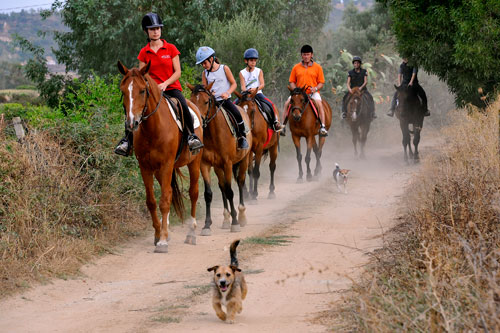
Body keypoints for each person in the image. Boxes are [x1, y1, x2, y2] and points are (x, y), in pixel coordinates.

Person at [114, 12, 203, 156]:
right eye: (152, 29)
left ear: (160, 30)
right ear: (146, 31)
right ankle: (127, 141)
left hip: (171, 88)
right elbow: (141, 76)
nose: (155, 31)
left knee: (184, 106)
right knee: (133, 109)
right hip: (151, 92)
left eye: (157, 28)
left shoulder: (171, 49)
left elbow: (178, 72)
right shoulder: (144, 52)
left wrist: (165, 83)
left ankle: (191, 136)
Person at [196, 46, 249, 150]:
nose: (203, 65)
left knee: (237, 114)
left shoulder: (224, 68)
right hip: (212, 103)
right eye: (201, 64)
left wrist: (227, 92)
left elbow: (234, 84)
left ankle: (242, 137)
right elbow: (205, 89)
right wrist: (209, 93)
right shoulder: (204, 73)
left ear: (211, 59)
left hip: (224, 101)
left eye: (204, 63)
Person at [282, 44, 328, 137]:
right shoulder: (296, 67)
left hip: (313, 93)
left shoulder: (318, 67)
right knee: (287, 103)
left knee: (319, 104)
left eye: (308, 54)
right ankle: (283, 126)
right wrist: (295, 90)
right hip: (299, 94)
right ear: (301, 55)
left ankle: (322, 126)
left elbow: (321, 82)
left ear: (312, 55)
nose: (306, 56)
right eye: (304, 54)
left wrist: (315, 88)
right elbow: (291, 81)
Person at [238, 48, 283, 132]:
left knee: (270, 104)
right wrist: (246, 91)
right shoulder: (242, 72)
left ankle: (275, 123)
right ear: (246, 61)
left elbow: (262, 84)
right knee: (234, 105)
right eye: (251, 60)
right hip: (246, 95)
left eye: (255, 60)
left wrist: (255, 89)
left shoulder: (259, 71)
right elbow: (242, 87)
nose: (253, 62)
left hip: (257, 93)